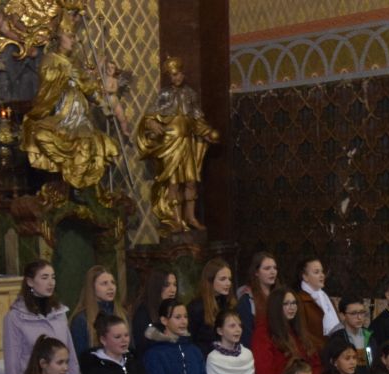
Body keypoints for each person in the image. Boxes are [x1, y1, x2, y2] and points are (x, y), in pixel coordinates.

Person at [21, 26, 120, 190]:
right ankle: (67, 172)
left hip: (79, 114)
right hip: (60, 112)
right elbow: (46, 81)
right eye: (69, 36)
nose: (73, 40)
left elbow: (87, 86)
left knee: (86, 141)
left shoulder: (76, 61)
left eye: (74, 37)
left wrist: (102, 102)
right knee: (40, 134)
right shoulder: (50, 59)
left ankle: (78, 183)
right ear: (59, 38)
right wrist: (65, 72)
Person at [135, 56, 219, 233]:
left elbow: (197, 119)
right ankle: (176, 220)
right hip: (170, 144)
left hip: (187, 143)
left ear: (183, 73)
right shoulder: (164, 94)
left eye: (179, 74)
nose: (177, 77)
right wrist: (152, 123)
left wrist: (208, 132)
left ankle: (191, 217)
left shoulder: (190, 94)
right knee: (173, 184)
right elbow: (149, 116)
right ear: (169, 76)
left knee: (191, 182)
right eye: (173, 75)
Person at [3, 259, 81, 374]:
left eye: (53, 277)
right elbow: (12, 366)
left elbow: (71, 357)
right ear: (30, 282)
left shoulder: (59, 313)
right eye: (44, 277)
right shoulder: (15, 317)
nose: (51, 282)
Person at [251, 287, 319, 374]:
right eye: (286, 304)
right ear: (276, 307)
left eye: (294, 303)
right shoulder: (263, 333)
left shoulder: (298, 331)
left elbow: (315, 365)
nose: (291, 307)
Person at [143, 298, 209, 374]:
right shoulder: (155, 354)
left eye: (185, 317)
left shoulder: (194, 351)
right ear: (164, 320)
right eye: (178, 317)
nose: (183, 322)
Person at [70, 265, 127, 358]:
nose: (111, 287)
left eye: (113, 282)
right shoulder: (81, 320)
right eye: (104, 283)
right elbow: (81, 356)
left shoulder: (123, 314)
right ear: (92, 287)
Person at [188, 257, 235, 353]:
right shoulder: (196, 307)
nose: (228, 283)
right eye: (223, 279)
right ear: (210, 281)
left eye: (229, 279)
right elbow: (191, 341)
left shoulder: (229, 304)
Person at [294, 256, 340, 354]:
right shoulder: (299, 300)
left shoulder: (327, 299)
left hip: (333, 352)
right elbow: (301, 332)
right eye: (316, 272)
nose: (322, 275)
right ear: (305, 277)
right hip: (314, 354)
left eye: (322, 271)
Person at [131, 267, 178, 359]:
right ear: (156, 286)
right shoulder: (143, 312)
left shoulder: (175, 309)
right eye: (167, 285)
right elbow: (143, 347)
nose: (173, 290)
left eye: (175, 285)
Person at [236, 251, 278, 346]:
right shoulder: (247, 300)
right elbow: (246, 336)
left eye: (275, 268)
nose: (272, 272)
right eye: (267, 268)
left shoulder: (280, 296)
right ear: (256, 272)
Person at [330, 294, 373, 374]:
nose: (359, 317)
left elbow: (372, 362)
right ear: (342, 315)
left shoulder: (369, 335)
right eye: (353, 313)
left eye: (362, 312)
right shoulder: (337, 338)